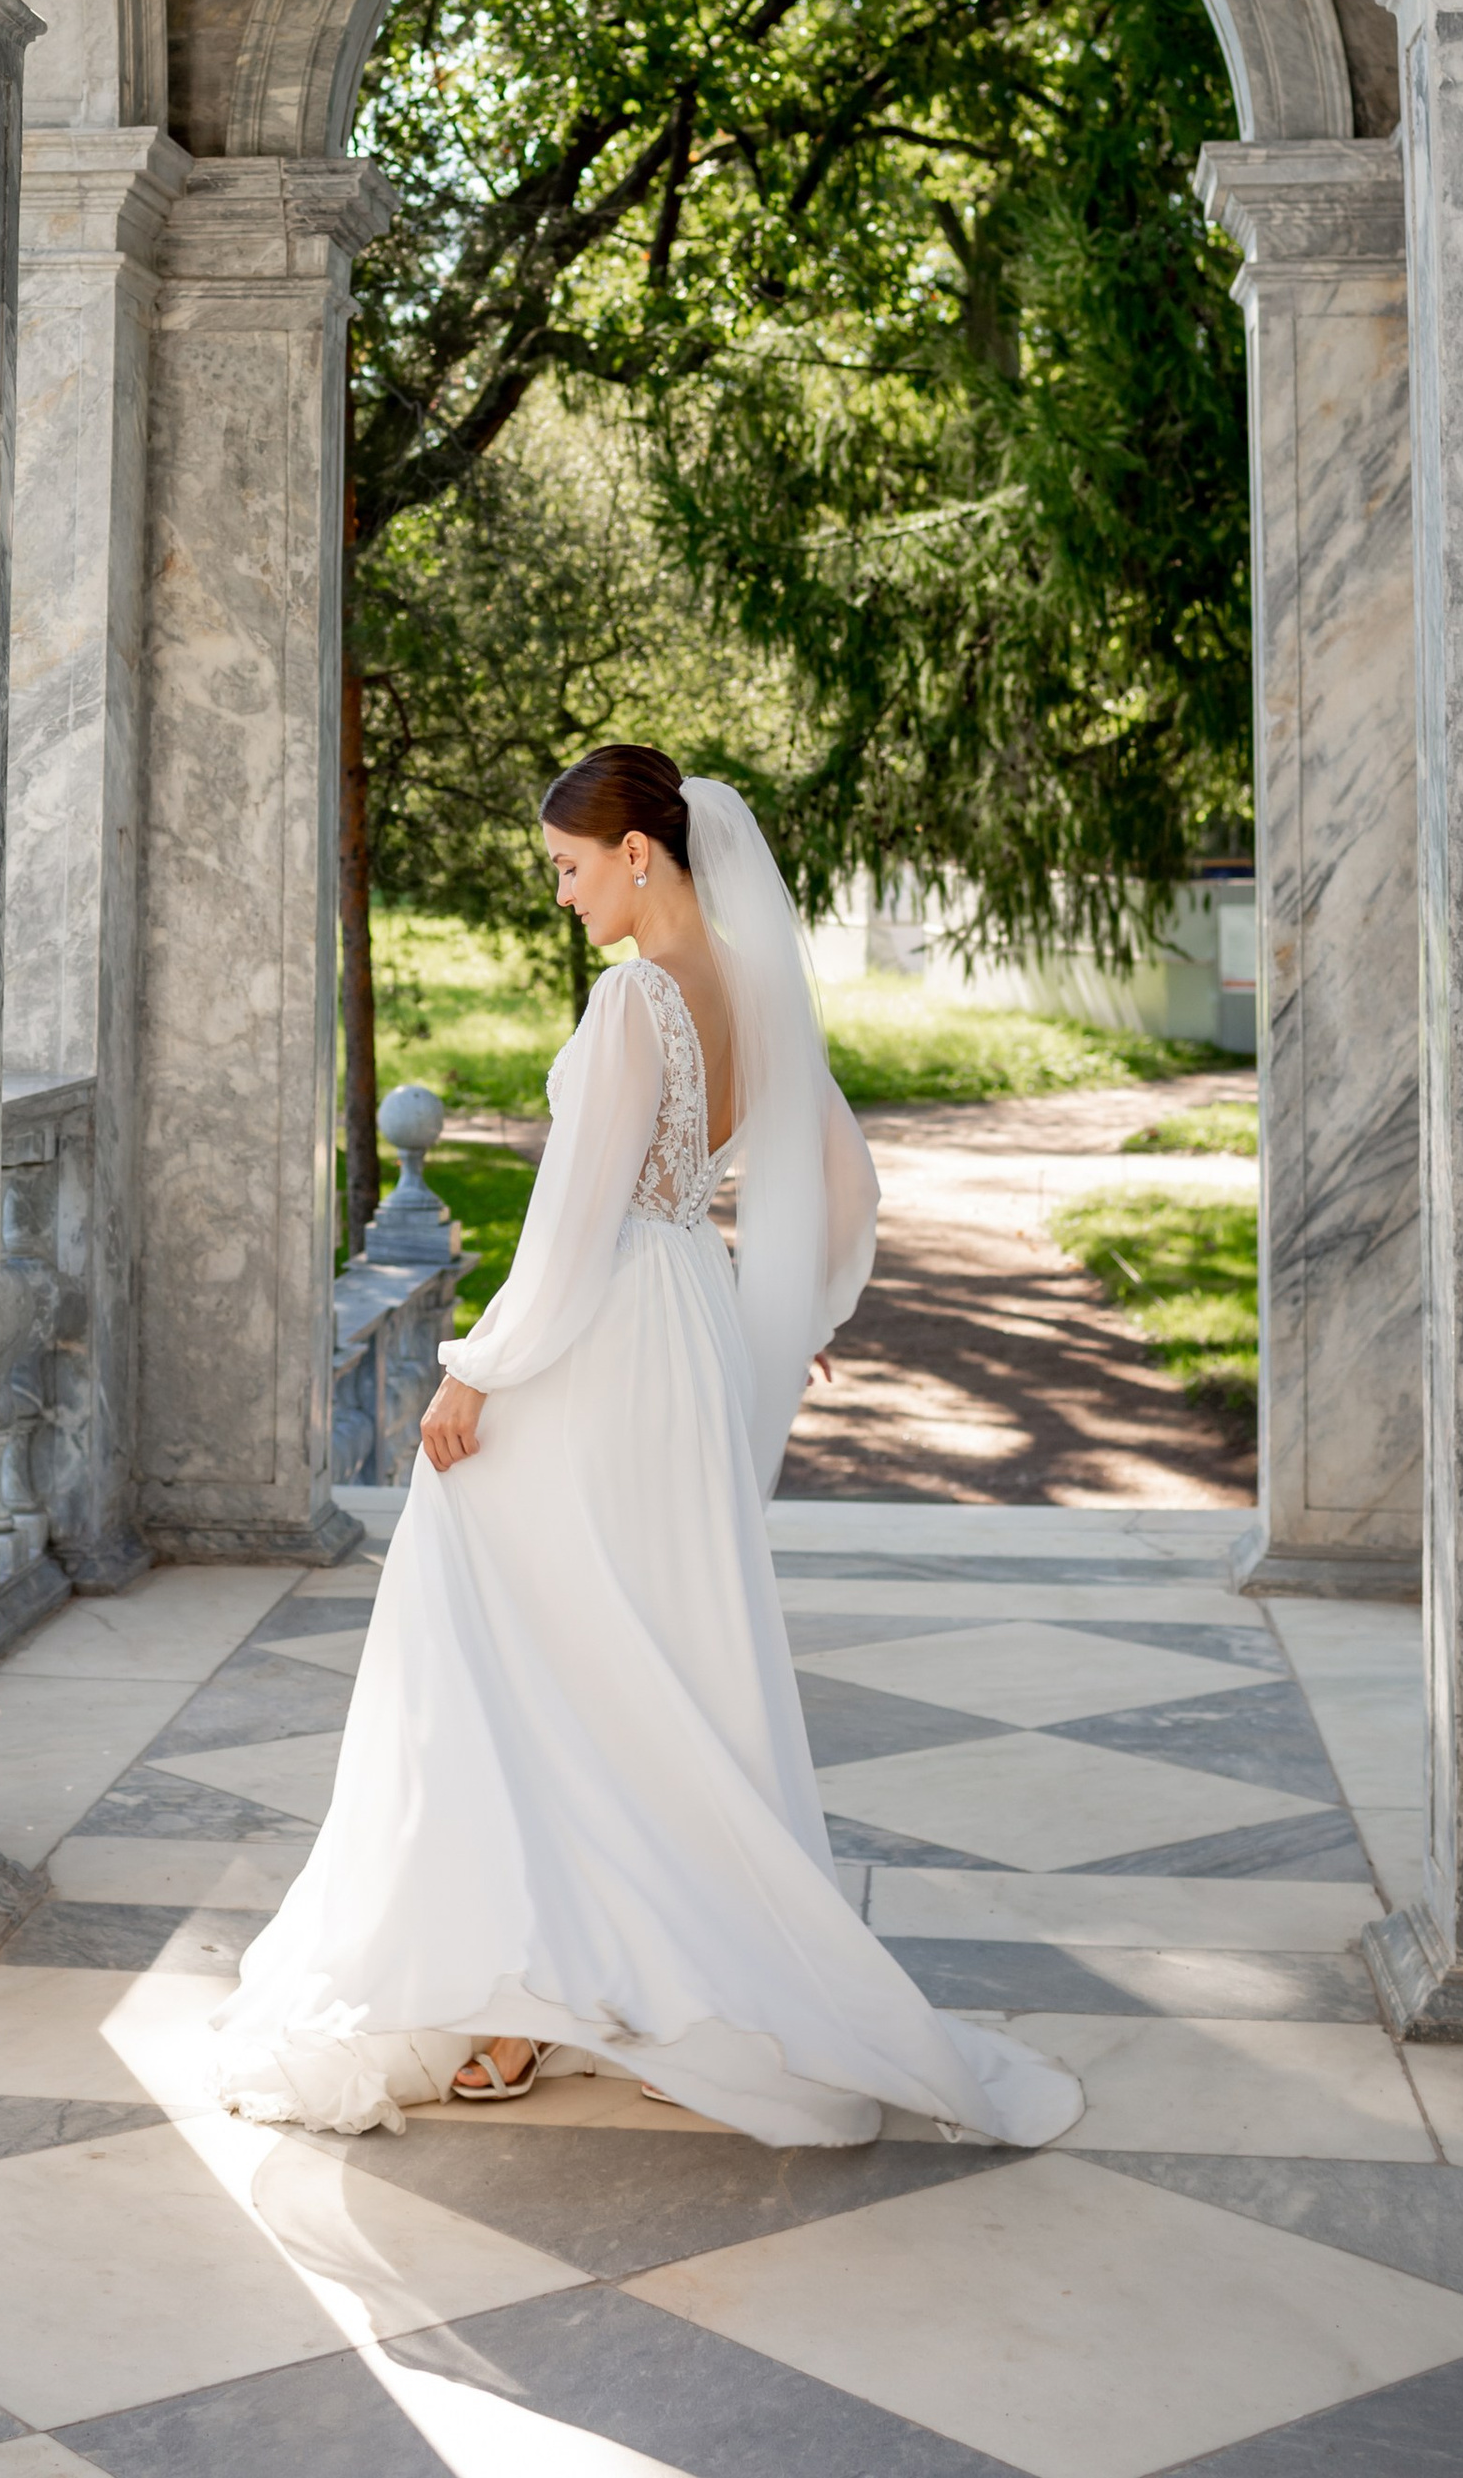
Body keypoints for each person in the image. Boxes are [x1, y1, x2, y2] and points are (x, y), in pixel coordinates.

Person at [210, 742, 1083, 2149]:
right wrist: (789, 1300)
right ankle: (558, 1974)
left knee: (484, 1613)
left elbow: (571, 1218)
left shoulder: (630, 1004)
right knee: (642, 1645)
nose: (561, 895)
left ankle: (517, 1984)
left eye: (568, 866)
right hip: (687, 1323)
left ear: (638, 852)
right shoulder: (751, 984)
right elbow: (846, 1181)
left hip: (601, 1334)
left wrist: (475, 1371)